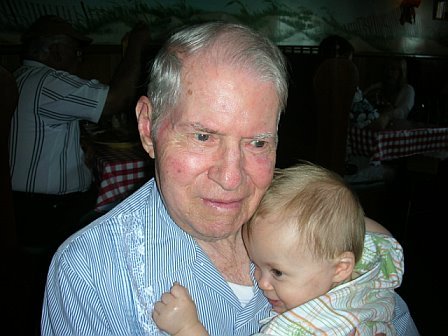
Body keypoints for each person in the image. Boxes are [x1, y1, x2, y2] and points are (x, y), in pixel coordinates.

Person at [41, 21, 419, 335]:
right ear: (147, 127)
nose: (231, 177)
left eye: (257, 142)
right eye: (203, 136)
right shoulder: (90, 274)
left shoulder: (316, 221)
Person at [9, 14, 150, 334]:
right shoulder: (49, 81)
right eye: (75, 50)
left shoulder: (20, 78)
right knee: (119, 215)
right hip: (46, 212)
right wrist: (136, 47)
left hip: (21, 206)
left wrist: (79, 142)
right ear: (54, 52)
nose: (79, 57)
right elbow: (118, 100)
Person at [152, 162, 405, 335]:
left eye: (278, 272)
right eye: (257, 266)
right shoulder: (374, 269)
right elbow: (382, 237)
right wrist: (336, 227)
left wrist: (187, 327)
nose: (262, 283)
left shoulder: (302, 328)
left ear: (340, 268)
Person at [364, 57, 415, 125]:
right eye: (387, 69)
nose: (389, 73)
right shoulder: (377, 87)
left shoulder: (408, 90)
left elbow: (402, 112)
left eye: (393, 69)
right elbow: (363, 98)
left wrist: (386, 116)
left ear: (401, 72)